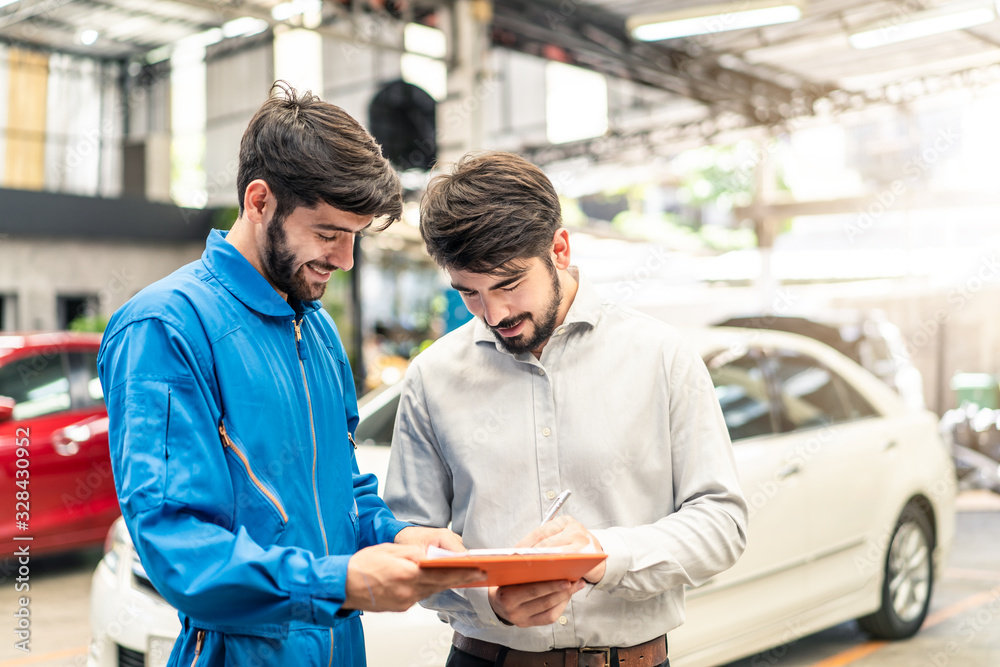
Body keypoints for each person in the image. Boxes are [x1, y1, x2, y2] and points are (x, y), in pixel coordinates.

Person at [97, 83, 481, 667]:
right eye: (327, 233)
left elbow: (341, 489)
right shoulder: (165, 327)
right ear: (259, 201)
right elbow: (180, 547)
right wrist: (338, 583)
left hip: (340, 649)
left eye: (353, 236)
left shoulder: (316, 329)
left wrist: (399, 537)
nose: (345, 259)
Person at [383, 151, 748, 667]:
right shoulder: (432, 376)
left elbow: (722, 523)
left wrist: (603, 555)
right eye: (470, 293)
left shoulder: (661, 357)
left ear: (559, 248)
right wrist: (489, 600)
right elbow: (410, 542)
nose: (495, 313)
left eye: (509, 284)